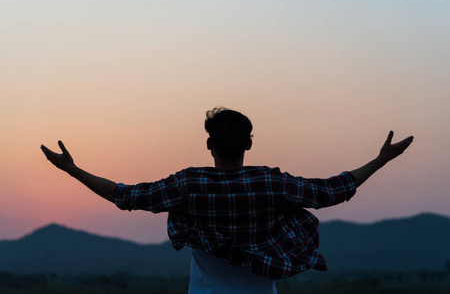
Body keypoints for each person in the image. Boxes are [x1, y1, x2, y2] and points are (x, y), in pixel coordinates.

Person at [41, 107, 413, 294]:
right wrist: (381, 159)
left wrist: (72, 170)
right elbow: (335, 190)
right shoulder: (270, 183)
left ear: (208, 145)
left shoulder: (189, 184)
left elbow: (124, 195)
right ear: (249, 143)